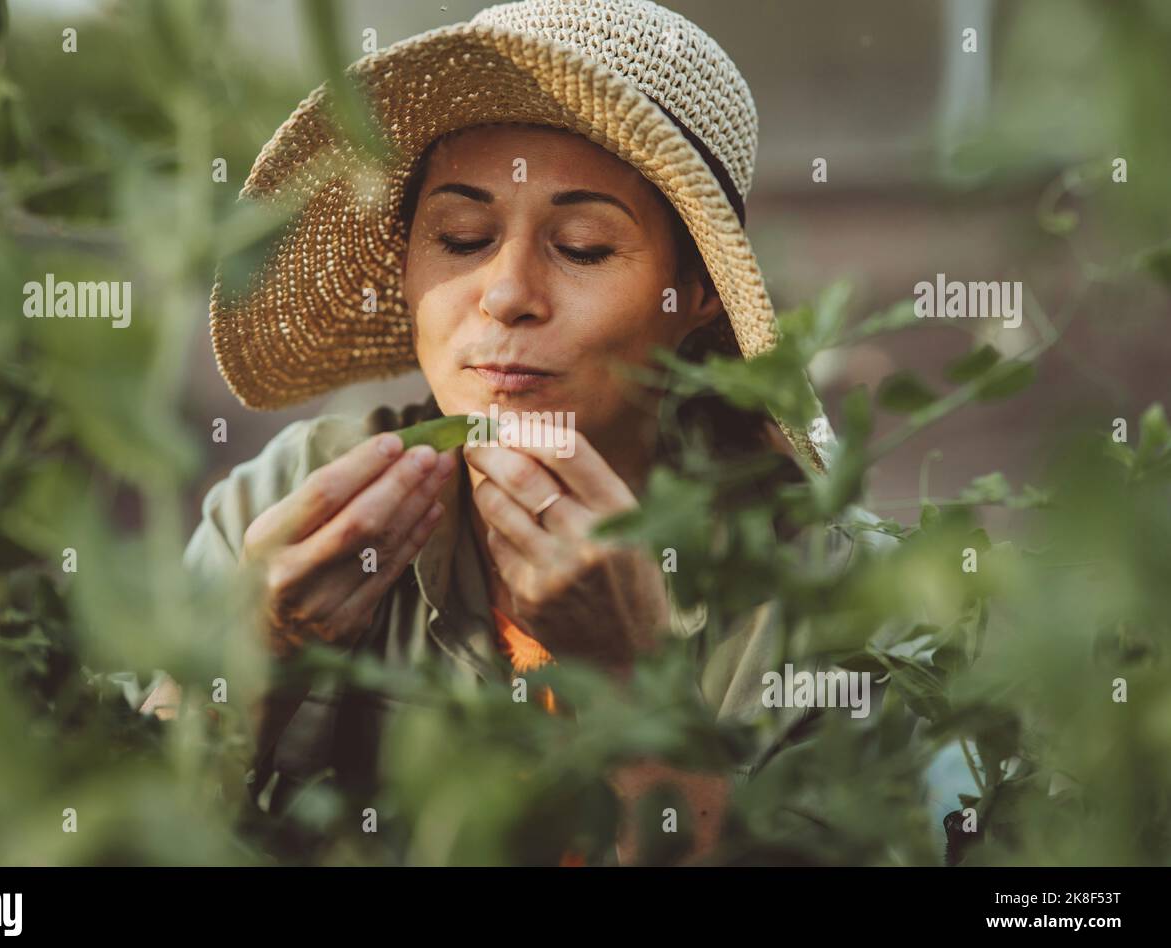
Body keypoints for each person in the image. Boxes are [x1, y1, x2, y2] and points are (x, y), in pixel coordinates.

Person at [144, 0, 895, 865]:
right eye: (461, 237)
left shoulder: (819, 586)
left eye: (581, 247)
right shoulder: (288, 510)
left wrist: (630, 694)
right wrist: (252, 663)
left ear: (694, 294)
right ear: (405, 259)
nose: (505, 294)